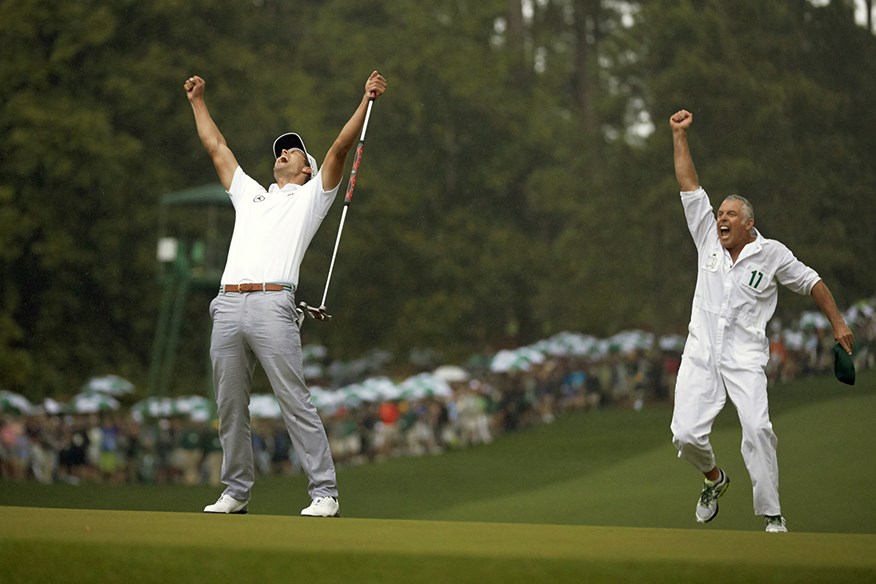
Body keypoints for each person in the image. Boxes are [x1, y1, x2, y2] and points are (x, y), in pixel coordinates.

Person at [184, 70, 387, 516]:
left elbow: (340, 149)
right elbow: (216, 147)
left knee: (294, 398)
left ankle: (324, 493)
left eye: (292, 150)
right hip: (228, 303)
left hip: (273, 303)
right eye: (280, 151)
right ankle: (236, 491)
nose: (284, 154)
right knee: (230, 405)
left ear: (307, 167)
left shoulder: (314, 196)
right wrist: (199, 102)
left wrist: (364, 98)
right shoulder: (251, 194)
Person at [668, 109, 854, 533]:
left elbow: (812, 282)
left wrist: (838, 323)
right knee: (685, 436)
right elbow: (689, 184)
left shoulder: (771, 254)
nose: (721, 220)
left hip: (744, 357)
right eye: (720, 215)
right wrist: (679, 135)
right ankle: (714, 479)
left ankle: (772, 516)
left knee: (757, 428)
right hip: (701, 351)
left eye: (730, 216)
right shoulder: (707, 238)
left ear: (749, 224)